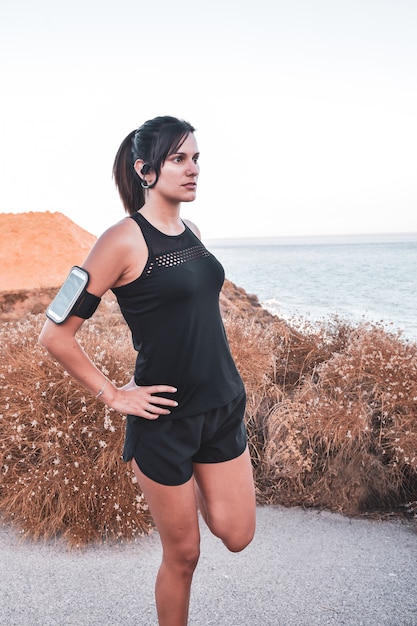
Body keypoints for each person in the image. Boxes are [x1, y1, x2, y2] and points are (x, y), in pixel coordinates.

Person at [39, 115, 256, 626]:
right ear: (146, 170)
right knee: (184, 556)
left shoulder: (192, 231)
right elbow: (54, 334)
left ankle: (195, 482)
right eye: (179, 159)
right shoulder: (122, 239)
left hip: (223, 407)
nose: (193, 169)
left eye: (196, 158)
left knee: (238, 534)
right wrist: (114, 395)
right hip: (165, 421)